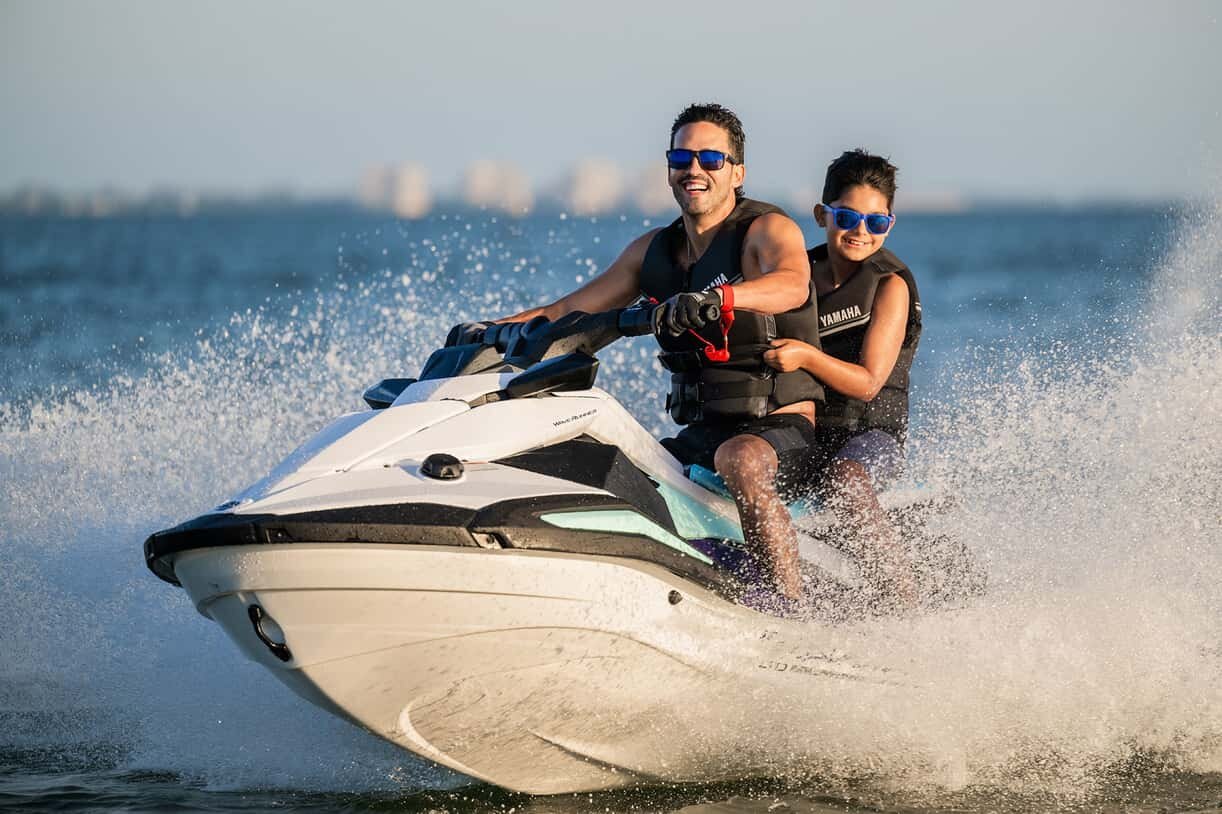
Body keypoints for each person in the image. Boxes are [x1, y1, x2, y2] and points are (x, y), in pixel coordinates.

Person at [503, 103, 824, 605]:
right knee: (597, 461)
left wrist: (719, 298)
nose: (694, 169)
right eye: (681, 158)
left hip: (779, 432)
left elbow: (791, 283)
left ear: (737, 173)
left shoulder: (766, 230)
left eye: (711, 159)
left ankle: (791, 612)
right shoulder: (652, 252)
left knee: (739, 458)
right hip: (702, 434)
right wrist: (492, 332)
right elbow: (566, 310)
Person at [762, 149, 922, 610]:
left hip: (871, 437)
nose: (860, 231)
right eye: (848, 217)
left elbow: (870, 382)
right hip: (807, 431)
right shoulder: (798, 275)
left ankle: (902, 602)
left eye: (876, 222)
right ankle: (778, 593)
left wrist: (806, 356)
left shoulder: (890, 285)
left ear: (889, 224)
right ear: (822, 215)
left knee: (846, 479)